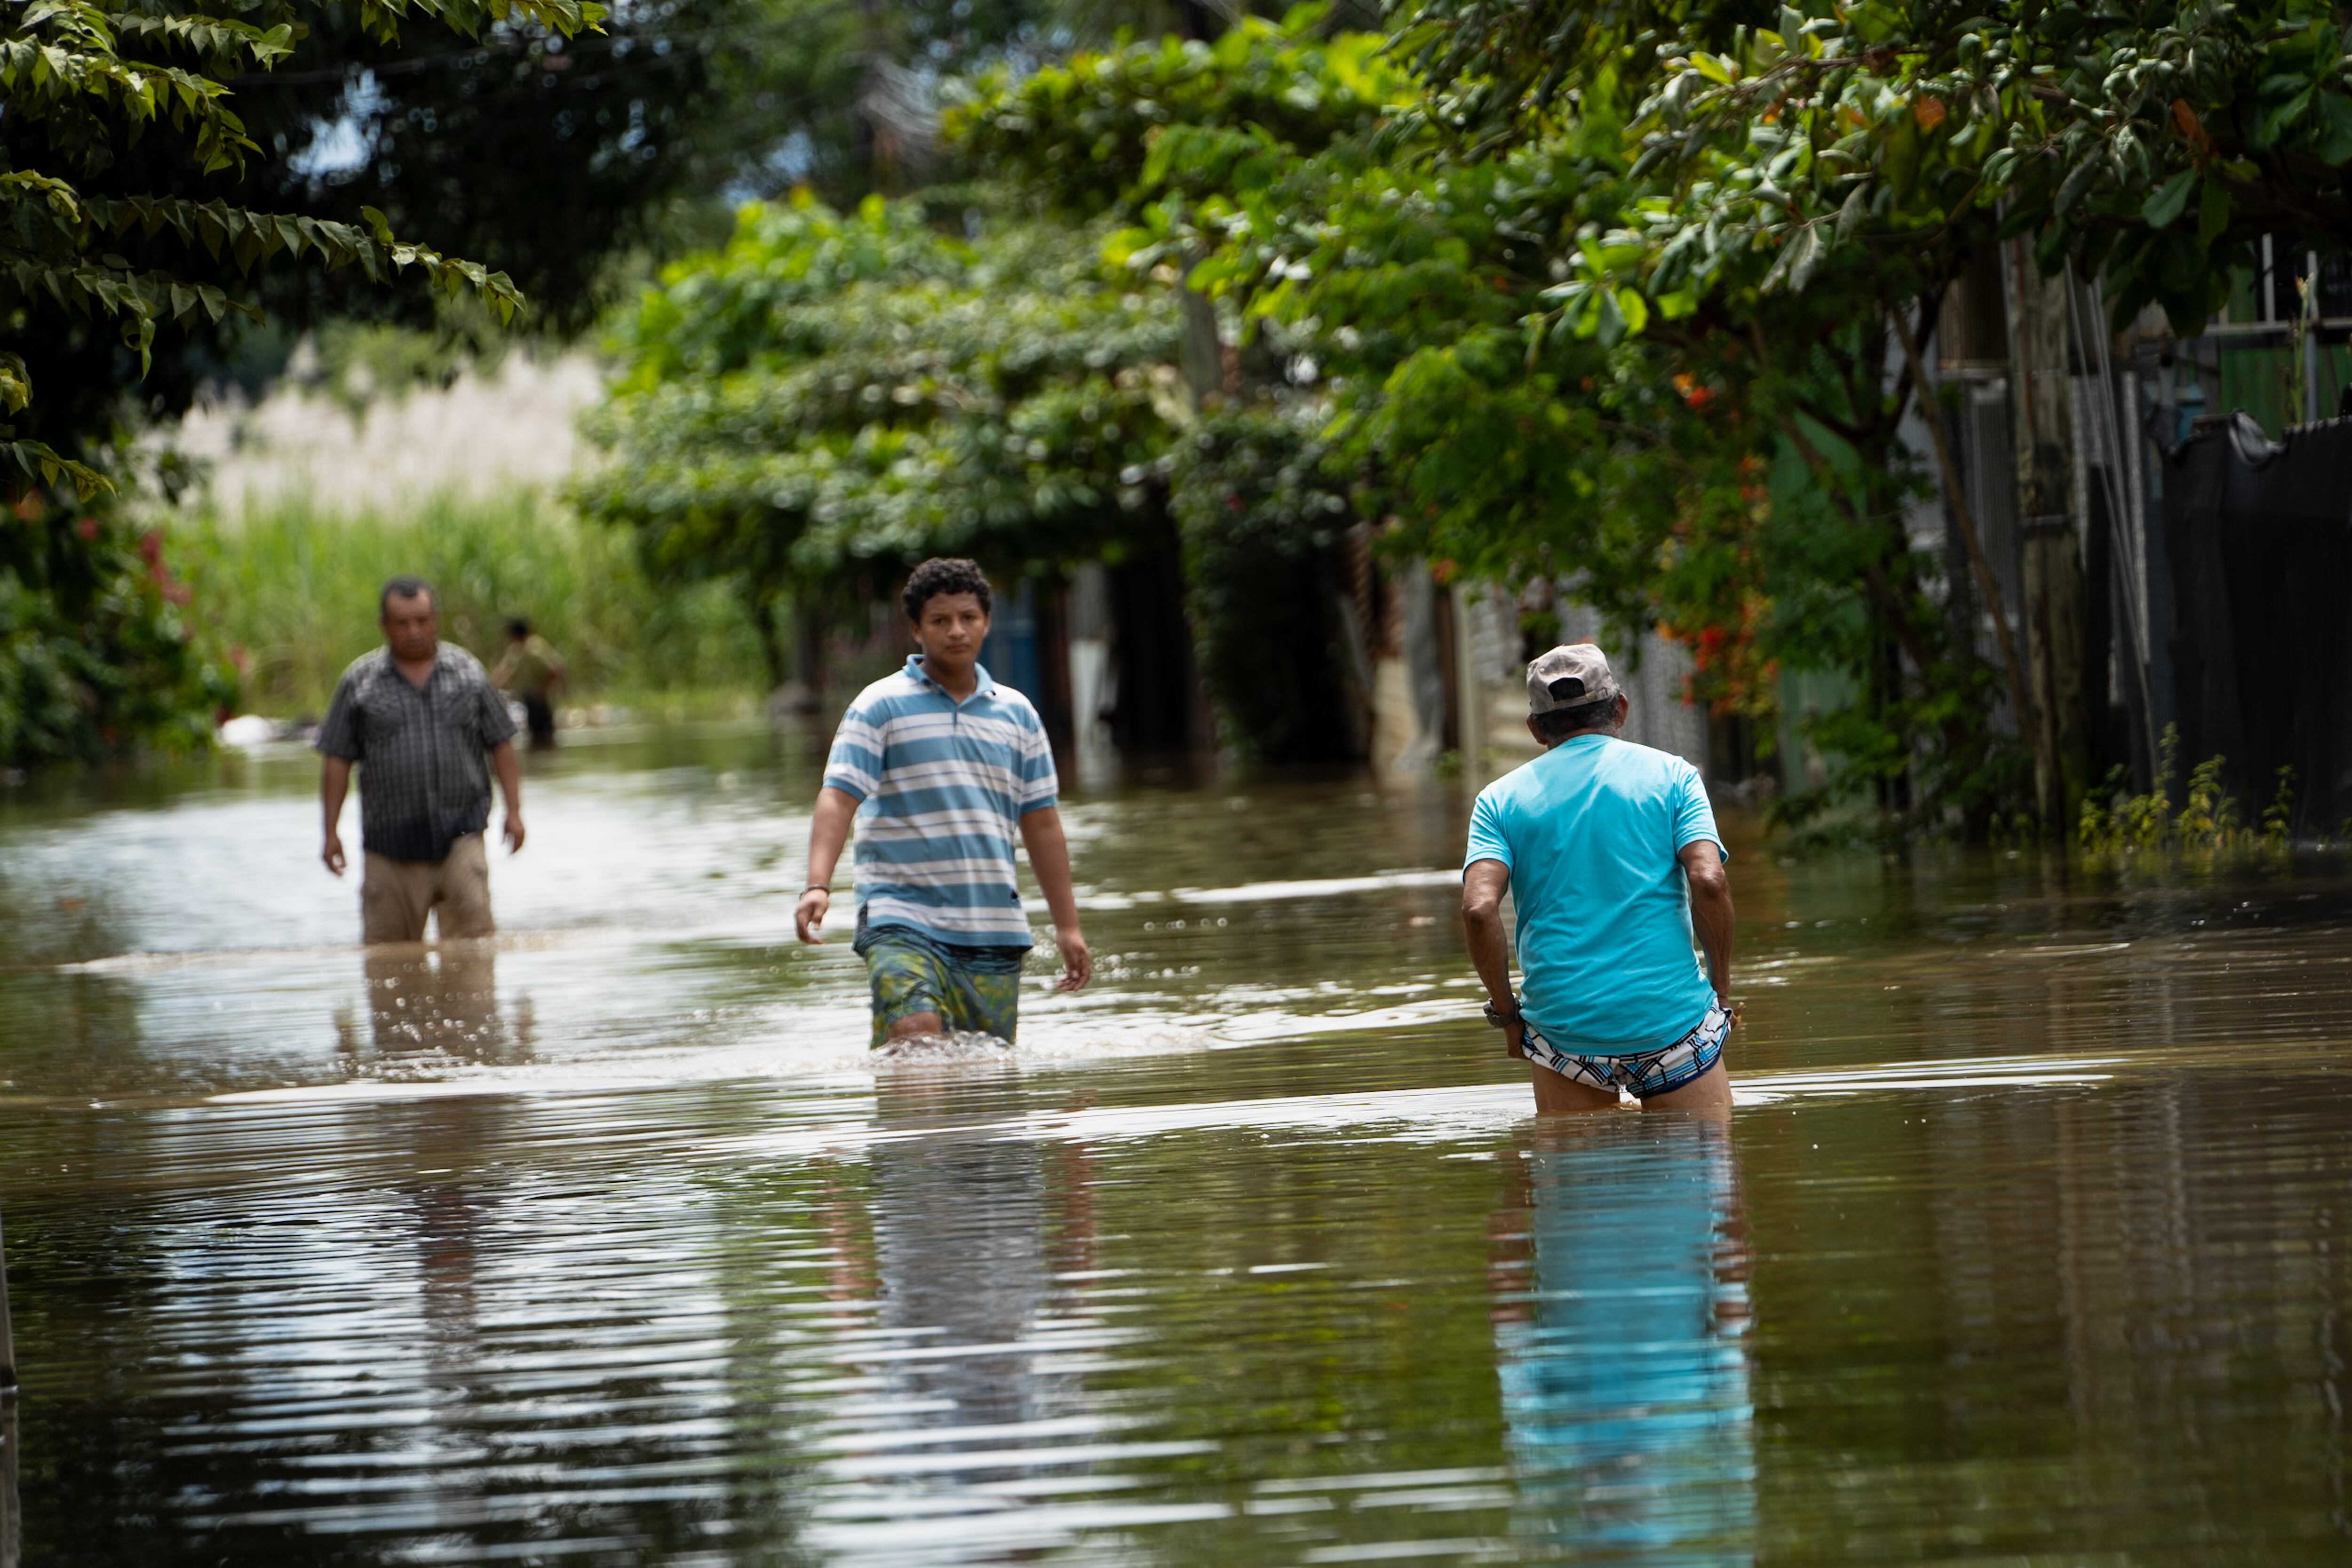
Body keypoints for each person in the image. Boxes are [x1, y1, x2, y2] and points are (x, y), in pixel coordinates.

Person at [794, 557, 1091, 1047]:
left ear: (986, 622)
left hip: (992, 923)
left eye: (968, 618)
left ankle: (907, 1119)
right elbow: (838, 797)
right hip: (898, 916)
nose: (956, 631)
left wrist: (1067, 926)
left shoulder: (1017, 715)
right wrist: (817, 885)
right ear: (916, 629)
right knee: (916, 1038)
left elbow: (1040, 824)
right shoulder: (879, 706)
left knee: (982, 1075)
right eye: (939, 620)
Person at [1461, 643, 1737, 1112]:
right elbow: (1708, 881)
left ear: (1534, 728)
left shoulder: (1498, 801)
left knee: (1577, 1179)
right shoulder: (1674, 777)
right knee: (1707, 1171)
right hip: (1672, 1021)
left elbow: (1478, 908)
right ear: (1621, 708)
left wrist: (1508, 1017)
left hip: (1563, 1034)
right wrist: (1720, 992)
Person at [318, 576, 527, 944]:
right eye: (402, 622)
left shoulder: (468, 674)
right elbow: (337, 759)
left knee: (475, 959)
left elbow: (501, 743)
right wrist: (331, 832)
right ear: (384, 626)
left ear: (436, 620)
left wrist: (514, 811)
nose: (414, 631)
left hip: (461, 837)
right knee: (388, 966)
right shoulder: (360, 683)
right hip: (388, 848)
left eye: (422, 620)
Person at [489, 617, 566, 749]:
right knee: (534, 735)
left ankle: (544, 760)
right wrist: (490, 688)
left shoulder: (534, 648)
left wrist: (542, 690)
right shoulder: (516, 649)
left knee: (544, 735)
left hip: (541, 700)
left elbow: (555, 670)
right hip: (530, 699)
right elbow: (505, 670)